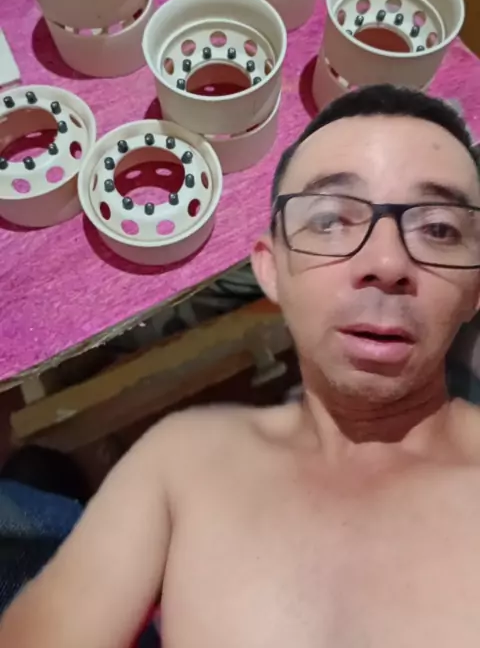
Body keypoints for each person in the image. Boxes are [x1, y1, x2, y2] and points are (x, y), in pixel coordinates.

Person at [3, 83, 480, 648]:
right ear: (270, 269)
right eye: (331, 220)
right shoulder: (180, 457)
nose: (386, 261)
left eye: (438, 229)